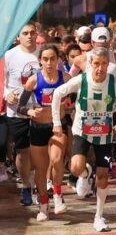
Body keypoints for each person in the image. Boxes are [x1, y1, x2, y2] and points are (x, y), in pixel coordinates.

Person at [52, 47, 116, 232]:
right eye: (96, 64)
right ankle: (86, 175)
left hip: (105, 135)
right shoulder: (82, 80)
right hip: (82, 131)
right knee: (76, 168)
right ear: (90, 64)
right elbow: (57, 94)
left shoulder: (114, 83)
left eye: (104, 64)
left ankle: (99, 216)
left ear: (108, 65)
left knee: (103, 177)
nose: (100, 68)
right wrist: (57, 123)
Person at [17, 44, 70, 221]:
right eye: (45, 59)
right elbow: (20, 107)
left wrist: (69, 106)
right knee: (40, 170)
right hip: (38, 128)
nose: (49, 62)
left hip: (57, 126)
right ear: (40, 61)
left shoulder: (65, 78)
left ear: (58, 60)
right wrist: (30, 112)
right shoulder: (34, 80)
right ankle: (44, 205)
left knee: (56, 160)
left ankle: (57, 193)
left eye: (52, 59)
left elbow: (77, 98)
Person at [3, 22, 41, 206]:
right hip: (16, 110)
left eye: (32, 33)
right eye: (25, 33)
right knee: (22, 152)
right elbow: (2, 81)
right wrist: (6, 94)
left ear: (37, 34)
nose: (29, 36)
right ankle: (26, 186)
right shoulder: (9, 55)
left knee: (40, 152)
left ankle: (40, 184)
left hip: (41, 110)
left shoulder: (44, 53)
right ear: (18, 36)